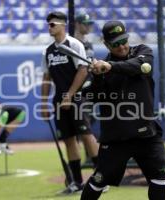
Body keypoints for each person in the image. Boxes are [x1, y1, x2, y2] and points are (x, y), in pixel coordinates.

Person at [80, 21, 165, 200]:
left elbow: (141, 67)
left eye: (123, 41)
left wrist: (111, 67)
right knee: (99, 180)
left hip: (147, 133)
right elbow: (95, 97)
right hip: (117, 137)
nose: (121, 46)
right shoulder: (101, 67)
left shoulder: (143, 52)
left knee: (160, 178)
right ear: (106, 45)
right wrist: (97, 78)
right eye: (115, 44)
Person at [40, 11, 99, 194]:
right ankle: (77, 182)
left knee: (87, 135)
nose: (50, 27)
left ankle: (100, 178)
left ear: (63, 25)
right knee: (68, 140)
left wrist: (70, 95)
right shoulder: (47, 51)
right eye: (48, 24)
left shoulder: (74, 44)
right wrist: (43, 104)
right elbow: (46, 77)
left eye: (53, 24)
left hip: (77, 98)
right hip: (59, 101)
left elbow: (83, 70)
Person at [74, 13, 96, 168]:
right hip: (78, 90)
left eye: (89, 23)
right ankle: (89, 157)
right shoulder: (72, 43)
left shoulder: (89, 44)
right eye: (85, 23)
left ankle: (90, 156)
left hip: (90, 89)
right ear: (78, 24)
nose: (88, 26)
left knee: (89, 122)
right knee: (81, 125)